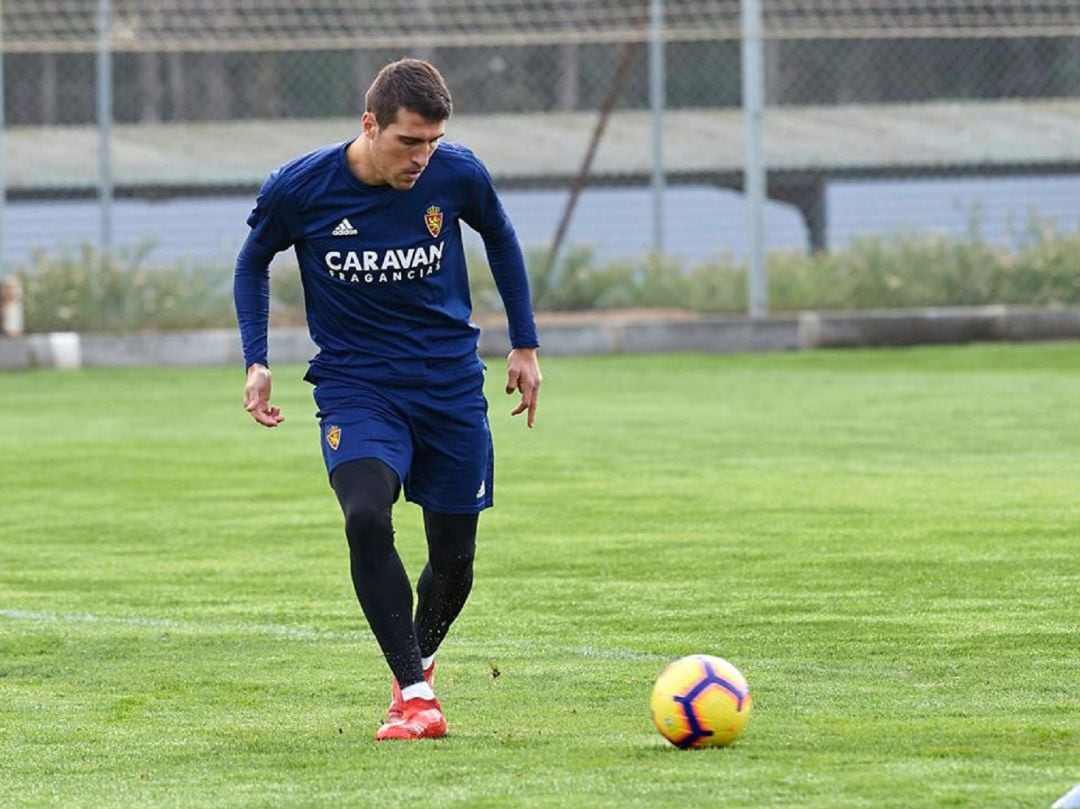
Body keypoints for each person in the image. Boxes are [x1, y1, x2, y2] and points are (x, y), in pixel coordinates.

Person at [233, 58, 541, 741]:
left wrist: (525, 343)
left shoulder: (458, 173)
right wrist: (256, 358)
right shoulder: (303, 186)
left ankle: (418, 663)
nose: (422, 158)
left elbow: (501, 234)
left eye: (432, 142)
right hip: (358, 386)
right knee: (367, 514)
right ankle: (415, 691)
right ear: (370, 124)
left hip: (450, 386)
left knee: (455, 561)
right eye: (409, 142)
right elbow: (254, 259)